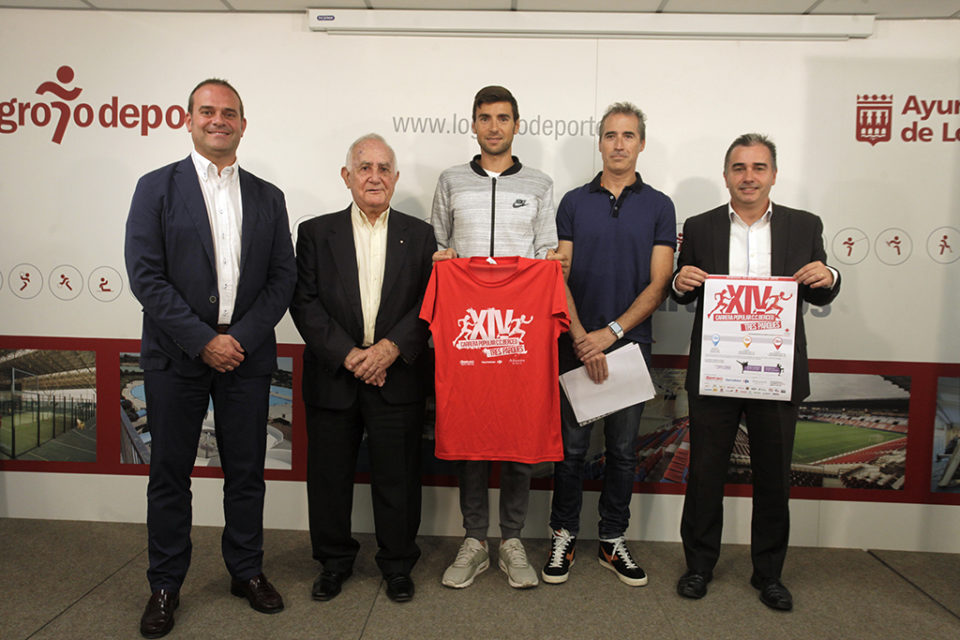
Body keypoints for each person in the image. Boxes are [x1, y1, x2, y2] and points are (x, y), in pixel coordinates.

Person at [125, 78, 296, 639]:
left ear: (243, 124)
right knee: (169, 475)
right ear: (189, 119)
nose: (218, 120)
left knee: (246, 473)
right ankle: (165, 583)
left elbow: (281, 279)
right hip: (177, 355)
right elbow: (146, 276)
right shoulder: (156, 188)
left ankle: (246, 571)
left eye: (229, 113)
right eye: (207, 111)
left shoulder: (268, 196)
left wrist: (236, 338)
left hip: (244, 354)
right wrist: (203, 340)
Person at [672, 133, 841, 611]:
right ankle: (699, 566)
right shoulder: (701, 227)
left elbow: (820, 289)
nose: (749, 177)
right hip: (716, 371)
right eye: (740, 168)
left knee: (773, 478)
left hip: (777, 372)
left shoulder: (803, 225)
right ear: (726, 175)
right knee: (705, 475)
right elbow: (685, 289)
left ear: (773, 174)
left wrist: (829, 277)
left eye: (759, 167)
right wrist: (680, 281)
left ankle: (768, 575)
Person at [290, 134, 436, 604]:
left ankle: (397, 564)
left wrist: (390, 349)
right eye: (364, 167)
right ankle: (333, 563)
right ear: (347, 177)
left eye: (384, 168)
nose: (375, 176)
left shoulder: (421, 234)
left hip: (398, 374)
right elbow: (305, 302)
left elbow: (427, 304)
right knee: (329, 478)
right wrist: (351, 355)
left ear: (395, 178)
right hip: (336, 373)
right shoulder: (315, 233)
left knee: (399, 478)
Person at [431, 85, 562, 590]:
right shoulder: (450, 181)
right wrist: (441, 262)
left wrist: (547, 268)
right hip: (467, 331)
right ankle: (473, 539)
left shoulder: (540, 183)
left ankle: (510, 540)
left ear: (516, 124)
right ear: (473, 123)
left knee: (518, 434)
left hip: (518, 333)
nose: (493, 126)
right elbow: (438, 244)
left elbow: (548, 252)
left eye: (502, 118)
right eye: (484, 118)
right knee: (470, 433)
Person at [541, 102, 675, 587]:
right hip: (575, 346)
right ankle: (564, 534)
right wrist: (581, 338)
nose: (619, 144)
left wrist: (611, 334)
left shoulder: (660, 206)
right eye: (611, 135)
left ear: (641, 143)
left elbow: (660, 283)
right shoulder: (573, 202)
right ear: (599, 142)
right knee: (571, 452)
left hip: (630, 349)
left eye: (629, 135)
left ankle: (612, 539)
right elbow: (560, 277)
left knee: (622, 453)